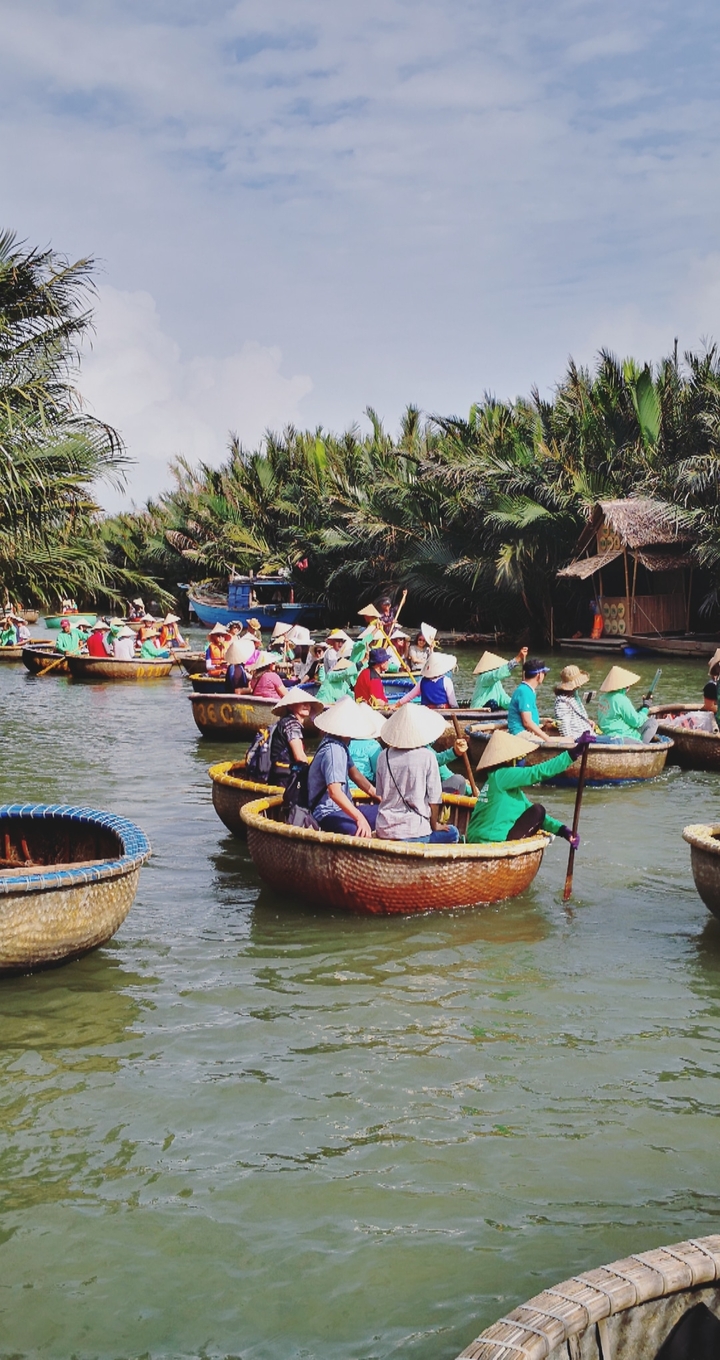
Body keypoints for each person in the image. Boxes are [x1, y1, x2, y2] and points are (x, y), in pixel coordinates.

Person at [467, 729, 594, 845]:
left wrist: (563, 831)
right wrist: (573, 754)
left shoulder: (498, 783)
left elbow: (536, 815)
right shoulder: (503, 774)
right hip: (489, 841)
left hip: (474, 838)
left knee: (536, 812)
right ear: (511, 760)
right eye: (520, 758)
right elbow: (538, 772)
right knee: (539, 810)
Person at [375, 704, 460, 844]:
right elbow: (434, 800)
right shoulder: (427, 756)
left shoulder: (383, 756)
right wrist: (435, 825)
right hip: (416, 830)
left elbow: (381, 793)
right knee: (453, 833)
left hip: (385, 829)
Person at [308, 697, 382, 837]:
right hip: (328, 812)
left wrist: (378, 795)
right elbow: (334, 792)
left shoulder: (341, 745)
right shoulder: (333, 750)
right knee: (359, 831)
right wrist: (359, 817)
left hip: (341, 808)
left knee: (387, 815)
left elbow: (356, 775)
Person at [267, 687, 325, 788]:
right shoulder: (292, 723)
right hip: (284, 777)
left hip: (279, 774)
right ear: (290, 706)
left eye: (308, 703)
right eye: (301, 702)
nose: (306, 705)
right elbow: (300, 757)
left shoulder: (287, 721)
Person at [596, 666, 658, 743]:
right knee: (653, 723)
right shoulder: (621, 699)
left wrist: (641, 708)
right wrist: (645, 708)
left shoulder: (603, 697)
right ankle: (643, 747)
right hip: (622, 736)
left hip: (606, 733)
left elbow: (622, 716)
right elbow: (636, 722)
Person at [507, 658, 550, 741]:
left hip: (526, 731)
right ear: (539, 675)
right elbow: (527, 722)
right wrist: (547, 738)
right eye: (544, 673)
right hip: (520, 732)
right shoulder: (524, 691)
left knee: (568, 740)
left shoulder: (528, 690)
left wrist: (542, 720)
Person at [553, 665, 595, 740]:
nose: (580, 686)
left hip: (588, 735)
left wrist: (587, 721)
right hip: (580, 739)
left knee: (616, 739)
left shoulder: (573, 697)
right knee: (617, 741)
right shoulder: (562, 702)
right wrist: (571, 744)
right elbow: (564, 728)